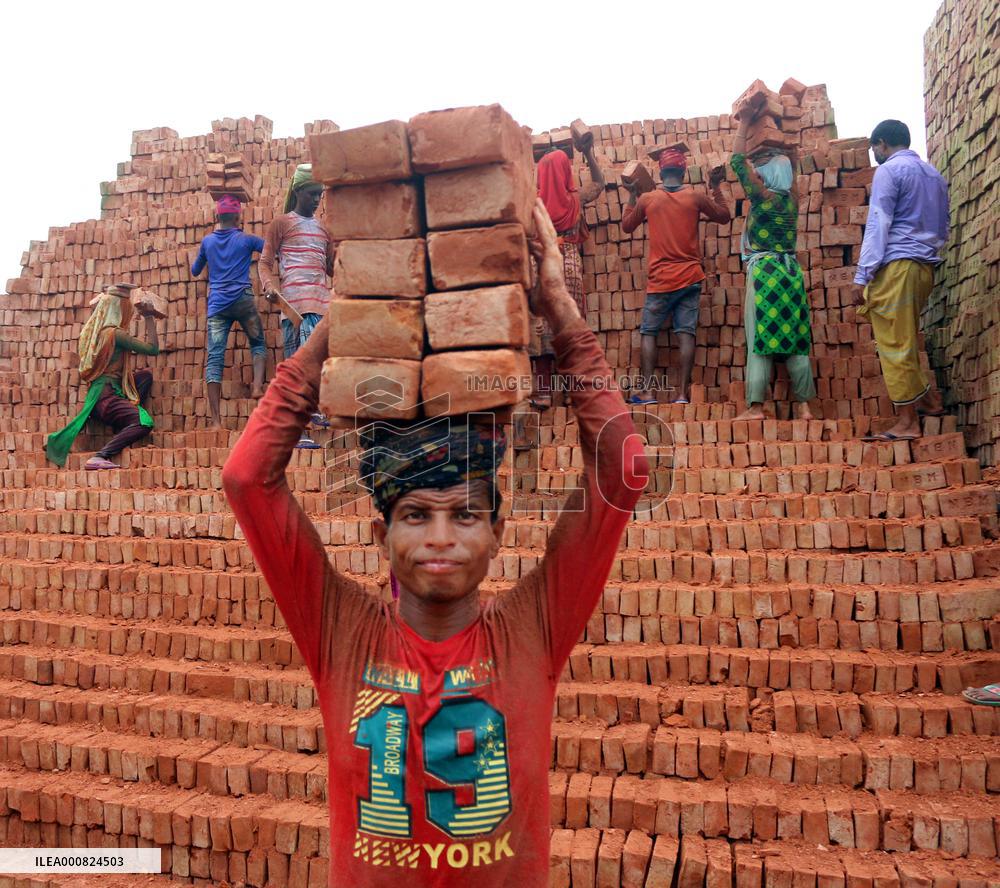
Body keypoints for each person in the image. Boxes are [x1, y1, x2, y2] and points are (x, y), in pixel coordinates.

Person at [221, 198, 649, 886]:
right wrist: (342, 320)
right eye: (416, 515)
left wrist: (559, 310)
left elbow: (625, 469)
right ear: (379, 533)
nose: (441, 539)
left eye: (466, 516)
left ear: (499, 532)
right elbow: (246, 479)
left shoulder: (533, 632)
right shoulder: (340, 633)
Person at [850, 119, 950, 441]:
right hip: (924, 268)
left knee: (894, 344)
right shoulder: (934, 175)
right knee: (903, 339)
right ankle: (931, 403)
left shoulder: (890, 172)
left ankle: (908, 423)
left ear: (881, 143)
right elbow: (943, 225)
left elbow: (879, 222)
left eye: (874, 149)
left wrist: (862, 275)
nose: (875, 155)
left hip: (899, 266)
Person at [621, 149, 730, 405]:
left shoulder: (648, 199)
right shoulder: (695, 197)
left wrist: (631, 195)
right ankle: (682, 394)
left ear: (660, 172)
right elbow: (724, 216)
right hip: (690, 278)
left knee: (648, 332)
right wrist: (716, 186)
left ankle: (647, 392)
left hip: (660, 281)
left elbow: (626, 226)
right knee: (686, 334)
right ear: (682, 172)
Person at [730, 112, 816, 421]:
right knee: (795, 339)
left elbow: (737, 161)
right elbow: (791, 163)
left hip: (764, 273)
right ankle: (804, 407)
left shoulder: (762, 198)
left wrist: (744, 120)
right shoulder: (793, 199)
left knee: (760, 340)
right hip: (791, 273)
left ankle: (756, 406)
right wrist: (785, 141)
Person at [259, 163, 336, 449]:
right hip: (293, 306)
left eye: (321, 195)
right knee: (296, 367)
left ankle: (314, 413)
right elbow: (265, 263)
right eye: (313, 194)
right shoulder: (281, 224)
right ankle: (297, 431)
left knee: (319, 366)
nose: (317, 200)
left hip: (321, 305)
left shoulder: (323, 230)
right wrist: (270, 287)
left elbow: (331, 267)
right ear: (298, 191)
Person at [46, 284, 159, 470]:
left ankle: (121, 423)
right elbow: (153, 349)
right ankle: (100, 456)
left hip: (99, 397)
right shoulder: (116, 334)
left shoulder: (96, 332)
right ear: (119, 309)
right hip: (107, 400)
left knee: (145, 377)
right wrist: (148, 316)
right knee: (144, 422)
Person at [530, 137, 605, 409]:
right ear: (565, 172)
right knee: (569, 325)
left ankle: (543, 392)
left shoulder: (533, 205)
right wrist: (589, 154)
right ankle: (576, 393)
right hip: (569, 266)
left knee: (542, 326)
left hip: (541, 264)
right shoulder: (575, 199)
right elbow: (599, 183)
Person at [191, 195, 268, 428]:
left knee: (214, 358)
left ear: (217, 216)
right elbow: (269, 248)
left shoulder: (207, 242)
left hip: (218, 306)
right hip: (243, 301)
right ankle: (256, 386)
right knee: (257, 342)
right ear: (237, 217)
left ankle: (215, 421)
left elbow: (195, 271)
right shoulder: (246, 239)